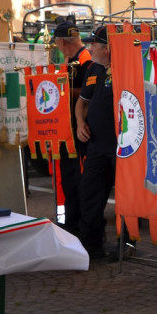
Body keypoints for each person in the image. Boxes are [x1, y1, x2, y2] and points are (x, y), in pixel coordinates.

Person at [74, 25, 121, 259]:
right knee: (89, 192)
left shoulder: (125, 69)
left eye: (94, 44)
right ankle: (91, 242)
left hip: (121, 147)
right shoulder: (93, 68)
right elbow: (81, 103)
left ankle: (127, 243)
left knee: (124, 197)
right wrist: (80, 123)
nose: (89, 47)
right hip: (96, 145)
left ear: (108, 48)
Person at [52, 21, 92, 236]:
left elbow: (87, 92)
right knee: (68, 177)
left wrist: (61, 90)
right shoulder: (72, 59)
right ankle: (71, 222)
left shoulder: (85, 60)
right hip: (66, 127)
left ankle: (80, 226)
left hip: (79, 129)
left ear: (61, 42)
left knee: (79, 179)